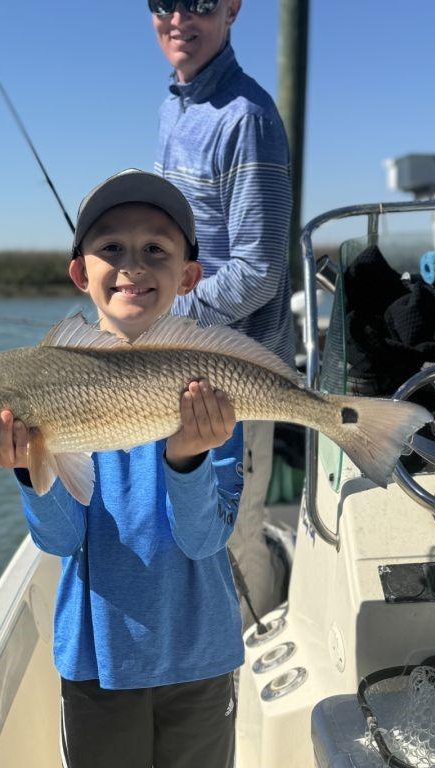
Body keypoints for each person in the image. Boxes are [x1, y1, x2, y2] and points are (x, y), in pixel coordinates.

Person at [0, 169, 245, 768]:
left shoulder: (208, 391)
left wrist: (189, 456)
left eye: (156, 249)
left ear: (188, 276)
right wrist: (31, 465)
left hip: (199, 655)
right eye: (111, 247)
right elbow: (57, 538)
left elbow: (205, 537)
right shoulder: (41, 385)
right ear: (79, 271)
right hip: (99, 661)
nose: (132, 264)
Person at [150, 0, 295, 625]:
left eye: (201, 2)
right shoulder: (172, 106)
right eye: (163, 1)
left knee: (236, 527)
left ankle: (256, 652)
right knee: (189, 520)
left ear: (233, 8)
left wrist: (164, 315)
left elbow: (259, 272)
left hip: (237, 374)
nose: (179, 16)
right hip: (173, 368)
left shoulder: (248, 117)